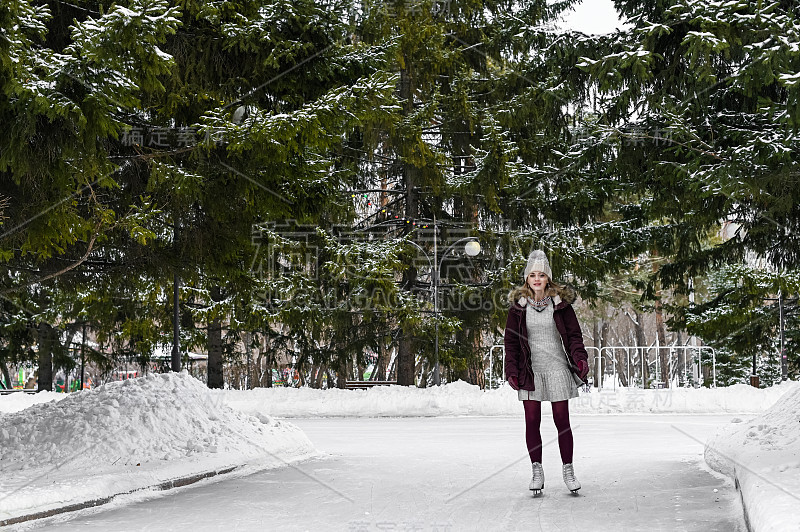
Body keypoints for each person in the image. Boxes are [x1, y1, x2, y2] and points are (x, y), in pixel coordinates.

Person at [504, 250, 590, 495]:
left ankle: (568, 470)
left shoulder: (560, 305)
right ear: (527, 279)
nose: (537, 279)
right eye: (533, 275)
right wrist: (511, 369)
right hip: (530, 371)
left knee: (562, 421)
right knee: (532, 421)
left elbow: (574, 336)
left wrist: (580, 359)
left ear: (548, 278)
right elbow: (510, 342)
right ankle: (537, 471)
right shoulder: (518, 307)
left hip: (557, 369)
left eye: (541, 274)